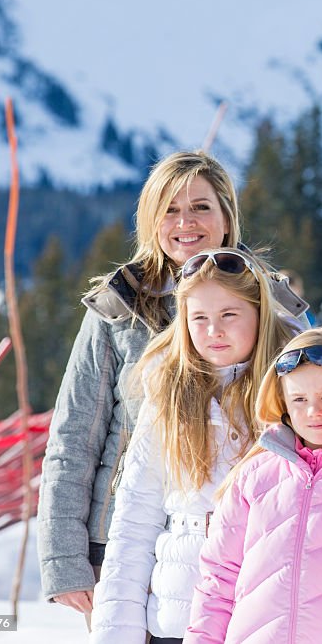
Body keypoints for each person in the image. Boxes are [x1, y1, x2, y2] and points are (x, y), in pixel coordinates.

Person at [38, 151, 245, 616]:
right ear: (151, 222)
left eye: (201, 207)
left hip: (230, 541)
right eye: (169, 209)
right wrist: (66, 561)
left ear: (227, 219)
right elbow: (73, 438)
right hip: (120, 542)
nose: (185, 222)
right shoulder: (119, 309)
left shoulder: (266, 302)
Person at [89, 248, 295, 643]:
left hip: (266, 614)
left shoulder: (295, 392)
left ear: (260, 314)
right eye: (199, 318)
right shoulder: (167, 394)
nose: (213, 330)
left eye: (229, 315)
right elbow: (135, 521)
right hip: (178, 614)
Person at [185, 328, 322, 644]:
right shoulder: (253, 477)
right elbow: (217, 579)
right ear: (284, 404)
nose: (313, 411)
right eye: (299, 399)